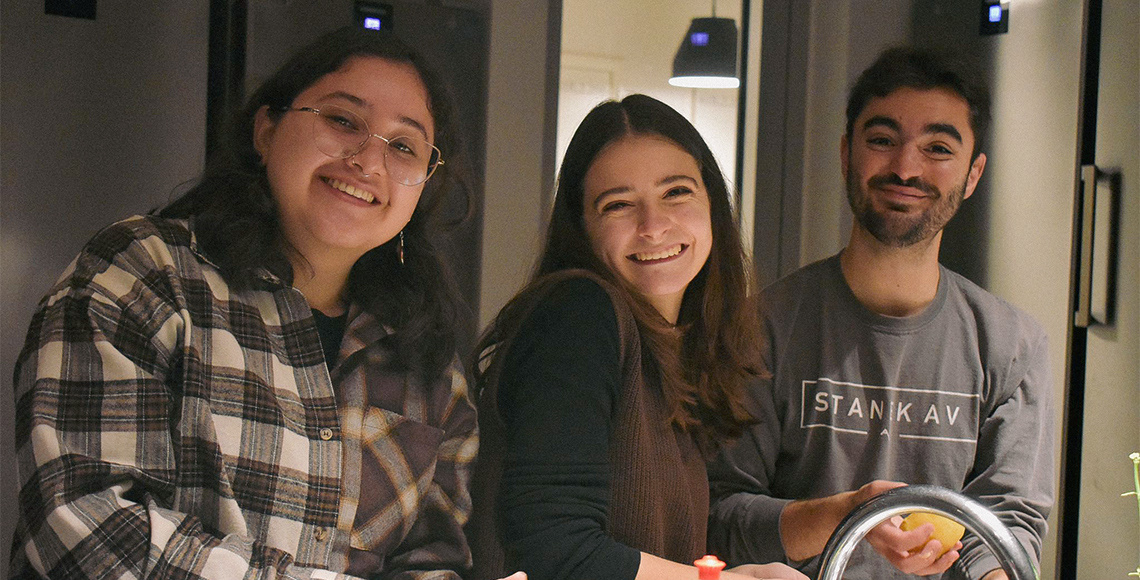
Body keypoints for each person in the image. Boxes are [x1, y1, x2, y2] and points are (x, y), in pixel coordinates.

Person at [10, 26, 499, 580]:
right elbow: (85, 527)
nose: (368, 160)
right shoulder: (145, 274)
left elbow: (432, 563)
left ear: (423, 188)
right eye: (343, 121)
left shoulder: (431, 369)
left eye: (404, 146)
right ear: (266, 130)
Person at [707, 46, 1054, 580]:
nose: (906, 168)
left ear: (973, 173)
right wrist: (845, 514)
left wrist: (990, 571)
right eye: (882, 140)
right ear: (847, 154)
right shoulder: (762, 327)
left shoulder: (1012, 345)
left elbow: (1011, 522)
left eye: (938, 147)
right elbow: (721, 516)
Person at [466, 94, 805, 580]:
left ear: (713, 203)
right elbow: (554, 549)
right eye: (618, 205)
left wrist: (842, 514)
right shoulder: (579, 313)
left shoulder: (669, 350)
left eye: (676, 193)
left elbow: (680, 543)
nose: (653, 226)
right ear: (582, 229)